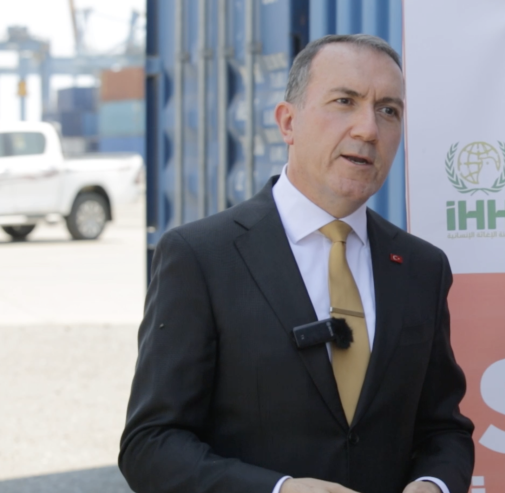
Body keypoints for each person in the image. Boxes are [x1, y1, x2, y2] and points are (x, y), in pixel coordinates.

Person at [119, 34, 474, 493]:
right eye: (345, 101)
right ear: (288, 122)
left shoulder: (422, 268)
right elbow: (150, 445)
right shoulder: (201, 257)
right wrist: (279, 490)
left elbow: (443, 430)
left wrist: (434, 484)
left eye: (388, 110)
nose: (368, 129)